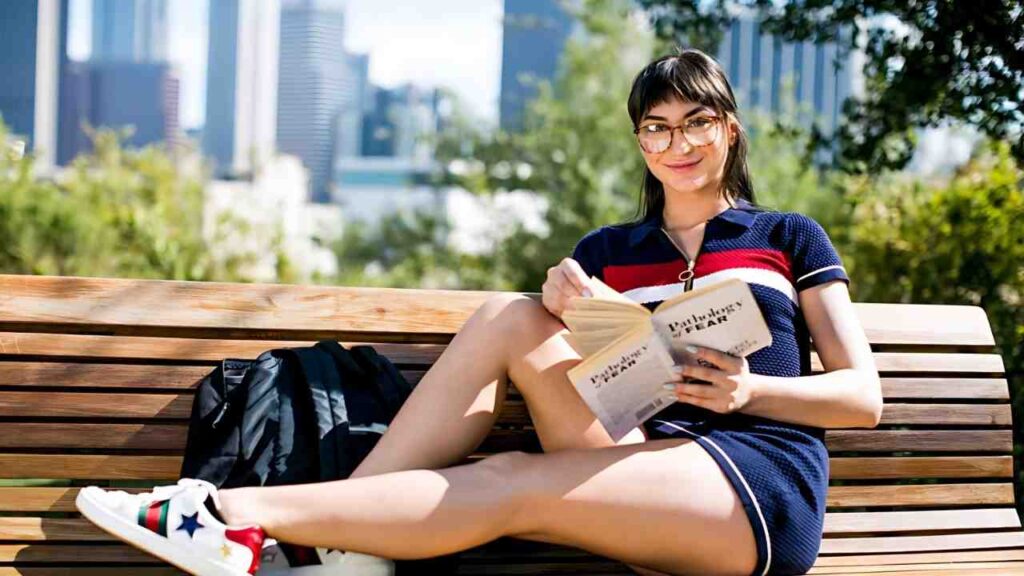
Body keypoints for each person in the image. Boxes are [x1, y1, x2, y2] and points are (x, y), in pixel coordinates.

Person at [75, 49, 882, 576]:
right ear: (641, 143)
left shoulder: (786, 236)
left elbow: (862, 397)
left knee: (508, 480)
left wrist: (747, 393)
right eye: (657, 128)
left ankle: (225, 513)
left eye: (696, 123)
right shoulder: (609, 248)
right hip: (636, 448)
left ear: (728, 130)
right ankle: (342, 547)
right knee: (510, 314)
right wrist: (570, 303)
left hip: (751, 484)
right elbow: (609, 373)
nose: (678, 143)